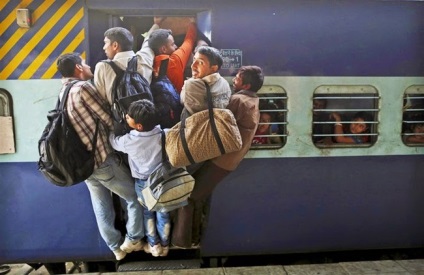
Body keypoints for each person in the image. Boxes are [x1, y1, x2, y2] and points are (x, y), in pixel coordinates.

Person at [56, 53, 145, 261]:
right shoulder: (84, 87)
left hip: (83, 164)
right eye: (85, 64)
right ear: (78, 68)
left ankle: (115, 247)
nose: (88, 67)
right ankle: (134, 238)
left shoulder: (64, 91)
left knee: (101, 205)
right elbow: (106, 118)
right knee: (135, 197)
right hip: (101, 159)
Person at [172, 65, 263, 248]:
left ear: (245, 85)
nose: (234, 80)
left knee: (190, 197)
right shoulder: (252, 100)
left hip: (220, 161)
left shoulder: (238, 101)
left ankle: (182, 242)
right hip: (228, 160)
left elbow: (218, 123)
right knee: (198, 196)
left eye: (237, 78)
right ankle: (194, 238)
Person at [109, 99, 171, 257]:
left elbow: (113, 143)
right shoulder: (164, 134)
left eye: (129, 117)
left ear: (139, 126)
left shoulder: (129, 141)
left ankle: (153, 245)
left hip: (143, 184)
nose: (126, 117)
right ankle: (165, 245)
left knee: (148, 213)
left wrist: (110, 130)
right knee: (163, 212)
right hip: (163, 181)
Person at [94, 23, 158, 106]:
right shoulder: (144, 59)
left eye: (105, 43)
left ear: (115, 45)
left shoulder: (103, 66)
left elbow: (101, 100)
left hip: (119, 117)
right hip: (144, 115)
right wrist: (157, 24)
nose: (104, 47)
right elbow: (148, 43)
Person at [179, 46, 232, 120]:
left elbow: (183, 101)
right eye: (194, 60)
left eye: (200, 62)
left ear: (213, 68)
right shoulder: (224, 83)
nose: (193, 66)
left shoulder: (191, 85)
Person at [148, 17, 197, 93]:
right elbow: (189, 41)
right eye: (173, 44)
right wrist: (192, 23)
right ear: (163, 49)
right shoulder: (174, 61)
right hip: (176, 102)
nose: (176, 46)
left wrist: (156, 24)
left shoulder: (148, 61)